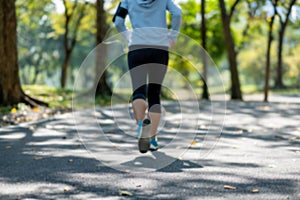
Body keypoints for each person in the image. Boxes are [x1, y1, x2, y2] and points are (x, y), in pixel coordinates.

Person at [113, 0, 182, 153]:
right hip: (159, 49)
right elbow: (177, 13)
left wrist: (129, 37)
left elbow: (118, 21)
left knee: (138, 91)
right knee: (154, 94)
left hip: (137, 48)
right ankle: (152, 137)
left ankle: (140, 125)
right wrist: (173, 37)